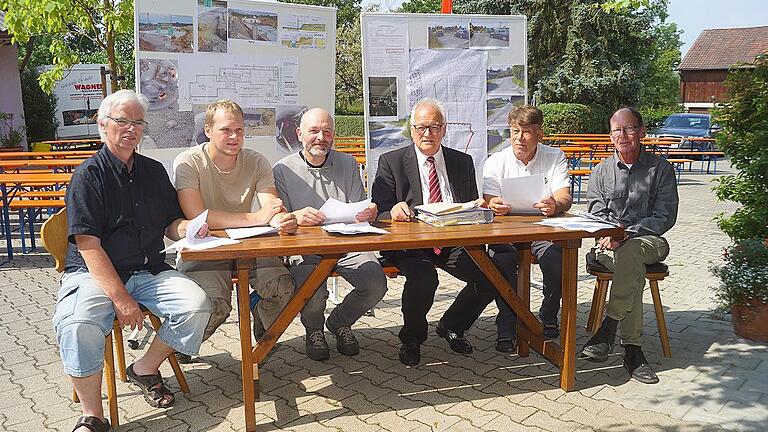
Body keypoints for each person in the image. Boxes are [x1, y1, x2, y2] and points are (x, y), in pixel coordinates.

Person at [53, 89, 211, 432]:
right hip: (94, 273)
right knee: (78, 324)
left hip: (149, 269)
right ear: (102, 124)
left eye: (138, 122)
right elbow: (87, 244)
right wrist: (121, 299)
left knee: (197, 305)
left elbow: (171, 223)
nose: (131, 129)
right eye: (122, 120)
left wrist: (188, 228)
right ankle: (93, 415)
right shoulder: (87, 176)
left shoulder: (154, 172)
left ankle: (144, 368)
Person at [371, 98, 499, 367]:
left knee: (490, 278)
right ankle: (412, 338)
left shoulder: (461, 161)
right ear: (411, 129)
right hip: (412, 246)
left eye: (434, 127)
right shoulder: (391, 162)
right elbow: (378, 211)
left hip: (453, 241)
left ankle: (452, 325)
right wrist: (392, 211)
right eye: (421, 127)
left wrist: (478, 208)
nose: (427, 134)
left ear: (444, 129)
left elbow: (470, 205)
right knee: (424, 279)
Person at [174, 99, 297, 363]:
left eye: (239, 130)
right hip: (207, 250)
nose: (234, 136)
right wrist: (256, 218)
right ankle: (178, 344)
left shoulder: (256, 161)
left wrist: (279, 220)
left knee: (285, 288)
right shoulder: (188, 161)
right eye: (226, 130)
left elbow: (271, 207)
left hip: (247, 246)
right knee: (215, 307)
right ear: (208, 130)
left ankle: (260, 316)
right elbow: (197, 216)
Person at [272, 108, 388, 361]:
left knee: (375, 284)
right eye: (314, 131)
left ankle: (339, 322)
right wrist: (296, 217)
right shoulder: (282, 169)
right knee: (313, 292)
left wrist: (368, 211)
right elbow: (279, 220)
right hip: (304, 248)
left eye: (327, 131)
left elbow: (358, 206)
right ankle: (314, 331)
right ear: (300, 134)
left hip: (347, 244)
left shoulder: (348, 163)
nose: (321, 137)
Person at [580, 107, 679, 384]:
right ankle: (632, 351)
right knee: (630, 267)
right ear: (610, 136)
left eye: (629, 128)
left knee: (632, 252)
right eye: (616, 130)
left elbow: (665, 216)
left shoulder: (660, 169)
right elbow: (596, 214)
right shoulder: (600, 172)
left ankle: (609, 326)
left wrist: (627, 233)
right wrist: (611, 234)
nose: (623, 135)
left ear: (642, 131)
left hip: (650, 241)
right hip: (608, 243)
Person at [482, 105, 572, 352]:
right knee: (502, 260)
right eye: (514, 131)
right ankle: (507, 324)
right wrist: (493, 203)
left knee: (557, 257)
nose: (519, 138)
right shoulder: (496, 160)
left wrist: (555, 205)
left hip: (542, 228)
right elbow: (489, 198)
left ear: (539, 134)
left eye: (527, 133)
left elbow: (565, 197)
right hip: (506, 230)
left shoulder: (554, 157)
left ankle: (549, 312)